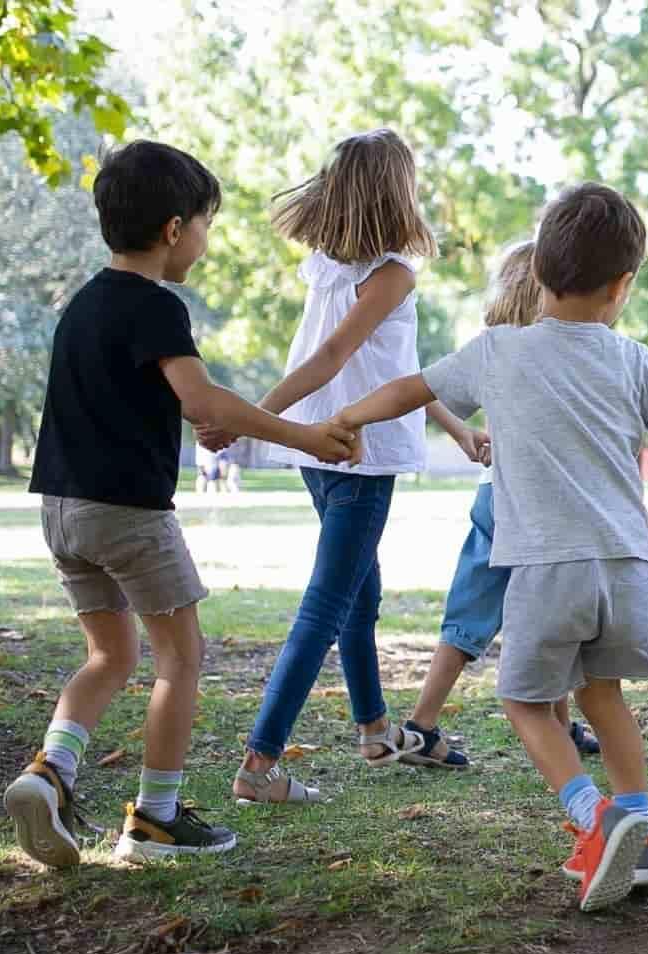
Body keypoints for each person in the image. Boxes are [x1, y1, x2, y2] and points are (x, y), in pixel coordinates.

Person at [333, 181, 648, 911]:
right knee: (604, 697)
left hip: (547, 568)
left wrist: (350, 416)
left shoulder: (497, 351)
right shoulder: (631, 358)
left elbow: (410, 389)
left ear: (538, 274)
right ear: (623, 286)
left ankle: (594, 818)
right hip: (629, 568)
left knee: (523, 700)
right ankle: (641, 837)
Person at [2, 140, 357, 867]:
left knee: (109, 653)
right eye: (204, 224)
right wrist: (305, 436)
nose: (205, 238)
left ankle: (52, 772)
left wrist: (217, 419)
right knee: (180, 658)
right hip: (128, 514)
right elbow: (200, 400)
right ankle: (156, 819)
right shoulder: (157, 307)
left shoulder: (82, 305)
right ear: (173, 230)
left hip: (62, 512)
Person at [214, 129, 489, 807]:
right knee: (328, 604)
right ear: (397, 190)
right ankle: (260, 762)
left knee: (360, 597)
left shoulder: (328, 267)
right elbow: (335, 356)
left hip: (323, 447)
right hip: (355, 453)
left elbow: (393, 367)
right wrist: (250, 416)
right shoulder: (389, 271)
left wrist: (454, 425)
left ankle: (372, 729)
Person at [399, 240, 602, 772]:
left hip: (493, 496)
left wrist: (465, 432)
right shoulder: (560, 348)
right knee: (552, 609)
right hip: (536, 503)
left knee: (469, 613)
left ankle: (422, 724)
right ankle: (555, 723)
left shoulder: (492, 345)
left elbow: (425, 388)